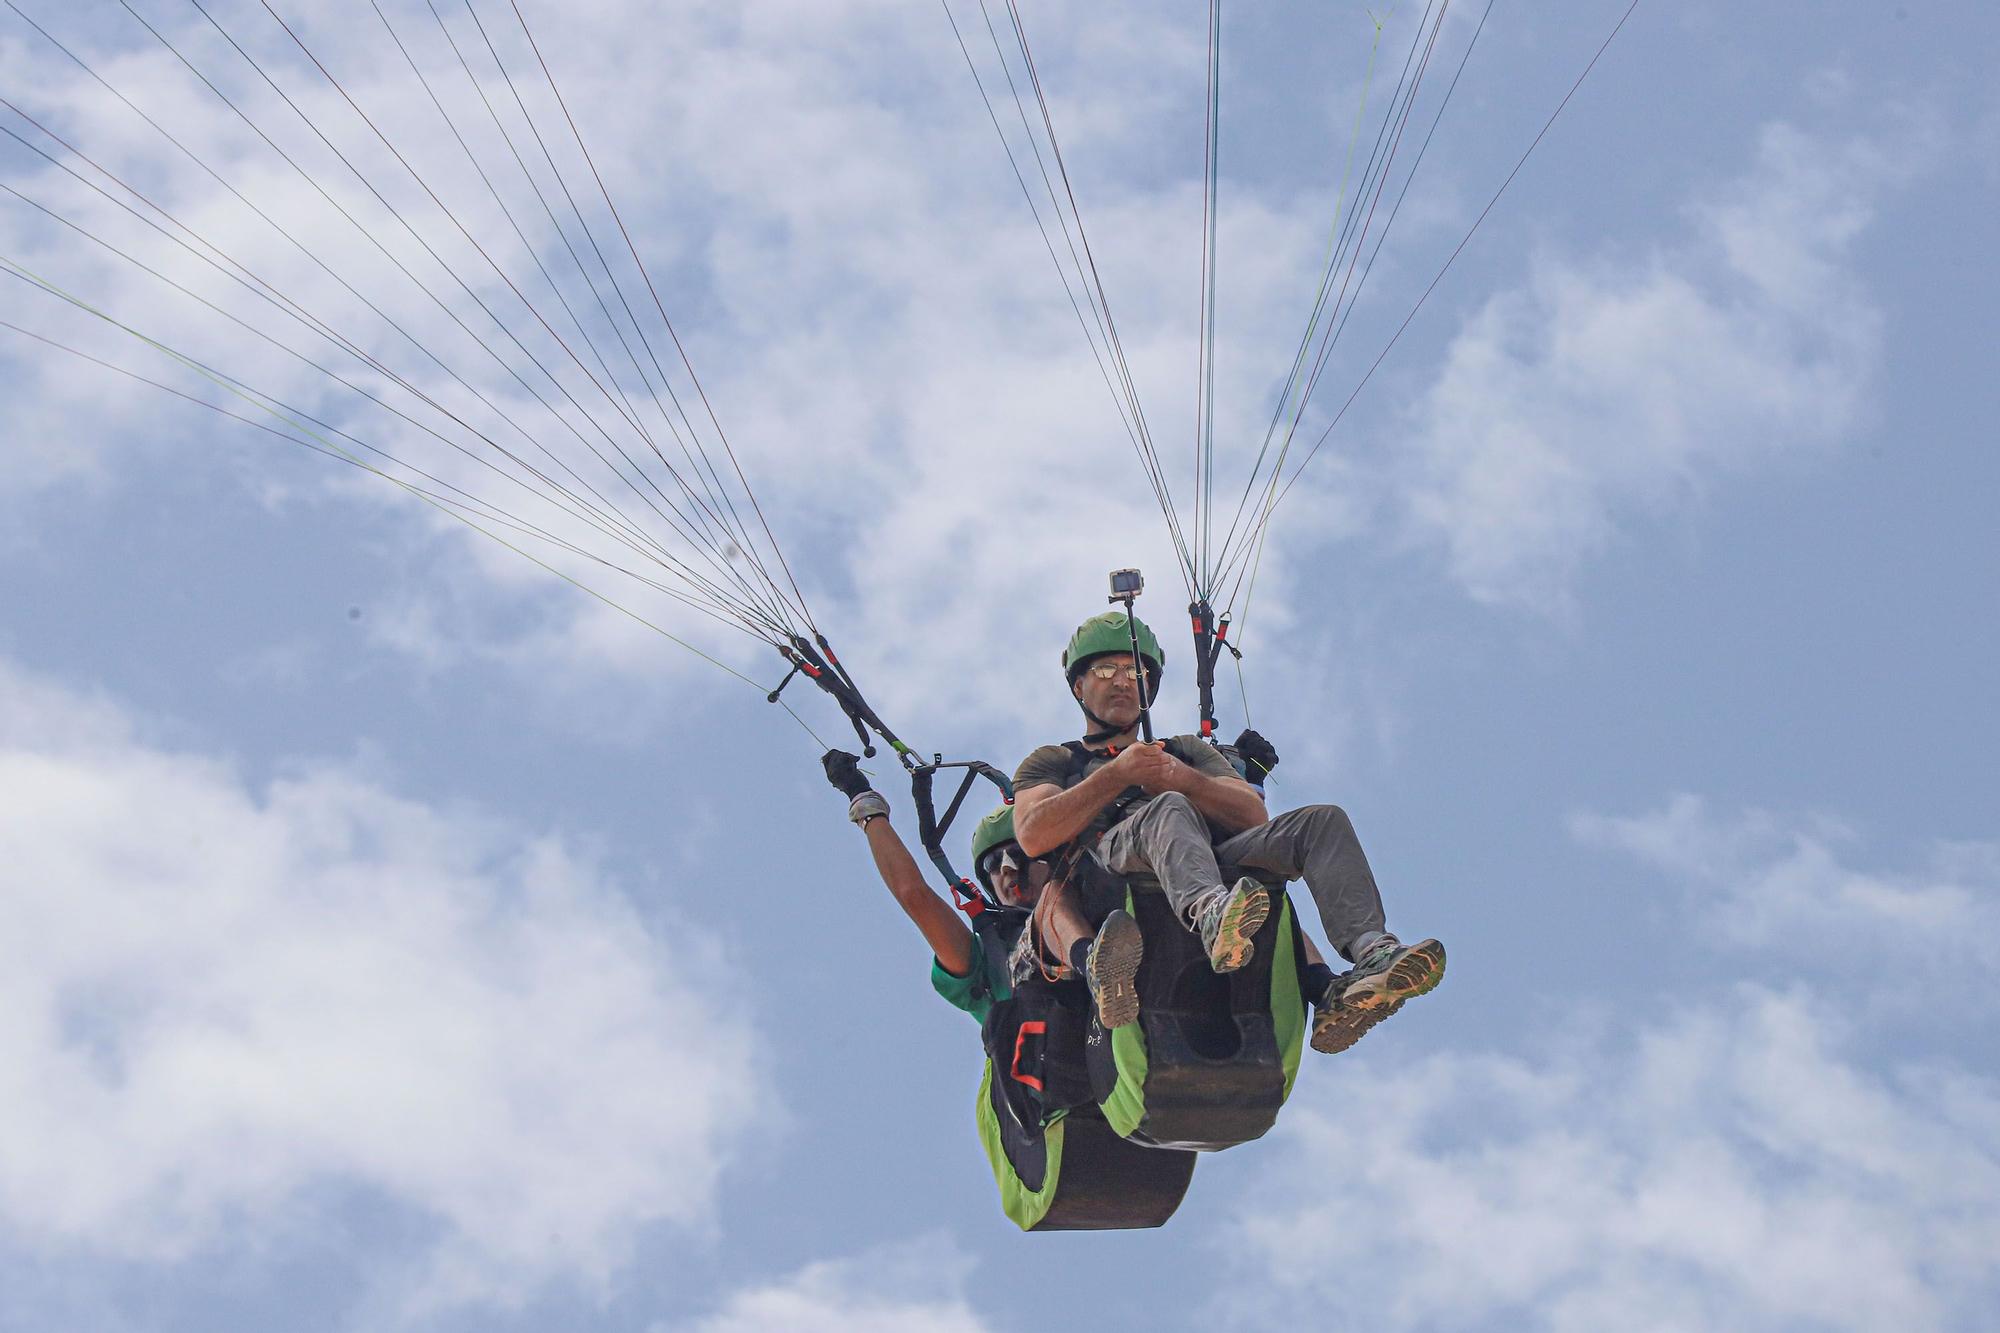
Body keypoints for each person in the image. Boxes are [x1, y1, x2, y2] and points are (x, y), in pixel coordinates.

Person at [1011, 610, 1446, 1055]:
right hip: (1113, 862)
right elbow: (1032, 833)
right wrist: (1117, 775)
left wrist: (1185, 778)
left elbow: (1253, 816)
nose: (1123, 681)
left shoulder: (1183, 751)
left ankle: (1370, 952)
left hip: (1210, 854)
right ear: (1079, 686)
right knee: (1169, 809)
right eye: (1106, 670)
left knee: (1321, 821)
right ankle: (1212, 914)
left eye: (1135, 670)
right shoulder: (1056, 761)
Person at [820, 749, 1145, 1028]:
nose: (1006, 869)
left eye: (1018, 855)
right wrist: (865, 803)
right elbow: (913, 895)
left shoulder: (1108, 906)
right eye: (993, 865)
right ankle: (1093, 966)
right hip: (1056, 1084)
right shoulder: (985, 959)